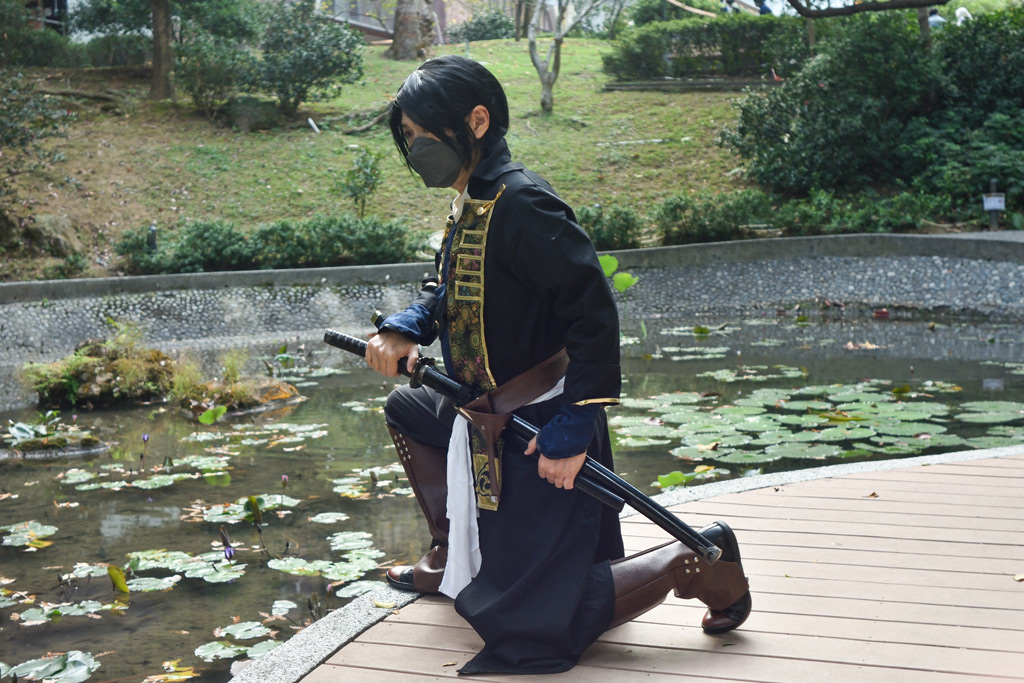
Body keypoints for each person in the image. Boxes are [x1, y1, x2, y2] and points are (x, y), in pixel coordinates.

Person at [364, 54, 751, 675]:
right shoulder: (473, 201)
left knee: (532, 627)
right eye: (407, 138)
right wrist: (407, 325)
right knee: (410, 409)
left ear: (477, 121)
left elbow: (593, 316)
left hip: (539, 424)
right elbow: (451, 289)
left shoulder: (525, 203)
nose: (414, 150)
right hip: (482, 412)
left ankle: (698, 557)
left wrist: (572, 429)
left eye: (420, 134)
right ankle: (452, 553)